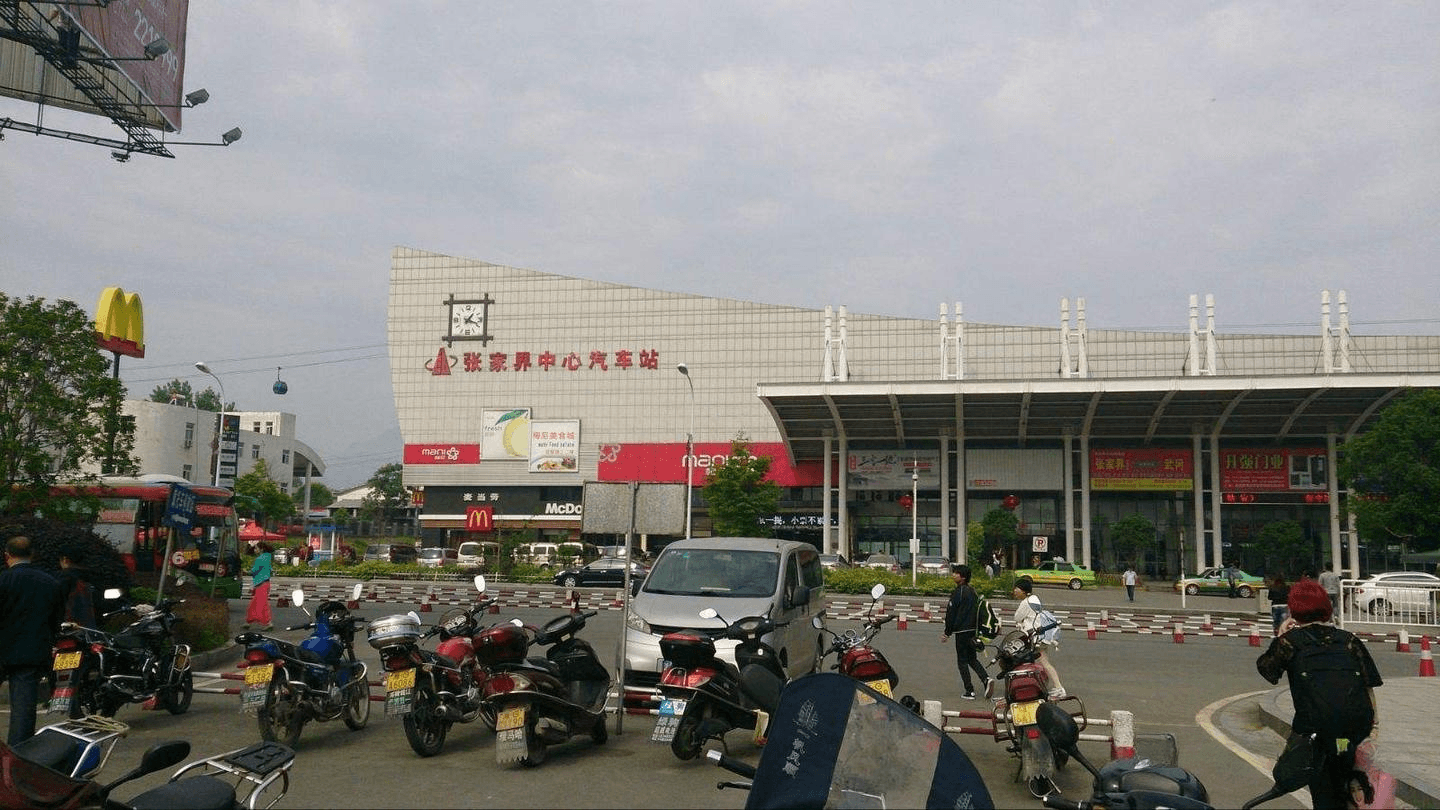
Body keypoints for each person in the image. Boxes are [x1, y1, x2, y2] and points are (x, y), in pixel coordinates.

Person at [1257, 579, 1381, 809]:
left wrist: (1281, 634)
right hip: (1352, 731)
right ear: (1326, 607)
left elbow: (1267, 670)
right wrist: (1372, 729)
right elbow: (1368, 684)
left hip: (1314, 732)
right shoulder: (1349, 641)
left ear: (1294, 610)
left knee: (1322, 786)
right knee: (1344, 779)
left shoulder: (1290, 643)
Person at [0, 535, 67, 744]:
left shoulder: (2, 580)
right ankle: (18, 753)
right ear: (32, 555)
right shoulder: (50, 583)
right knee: (23, 707)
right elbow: (56, 619)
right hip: (32, 650)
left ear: (7, 556)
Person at [940, 564, 990, 699]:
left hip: (961, 632)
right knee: (972, 659)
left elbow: (951, 613)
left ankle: (969, 691)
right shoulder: (972, 591)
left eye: (956, 573)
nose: (953, 575)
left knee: (962, 661)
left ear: (963, 577)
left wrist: (947, 632)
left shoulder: (959, 592)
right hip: (973, 631)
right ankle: (986, 679)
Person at [1012, 576, 1066, 699]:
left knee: (1037, 661)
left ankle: (1057, 687)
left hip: (1036, 637)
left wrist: (1022, 621)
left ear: (1024, 590)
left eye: (1017, 588)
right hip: (1042, 636)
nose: (1015, 591)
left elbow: (1017, 617)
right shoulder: (1034, 599)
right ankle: (1053, 687)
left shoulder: (1026, 603)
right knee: (1043, 662)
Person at [55, 550, 97, 628]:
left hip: (71, 626)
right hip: (89, 626)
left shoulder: (64, 578)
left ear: (65, 560)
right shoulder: (89, 578)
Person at [245, 542, 274, 631]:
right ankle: (249, 621)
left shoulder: (260, 559)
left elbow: (254, 571)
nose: (255, 550)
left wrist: (246, 571)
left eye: (256, 548)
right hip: (265, 583)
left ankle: (267, 623)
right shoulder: (268, 557)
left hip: (260, 583)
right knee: (258, 603)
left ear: (261, 549)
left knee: (260, 604)